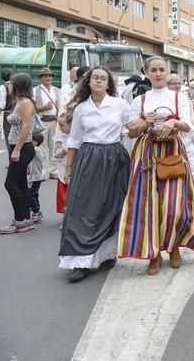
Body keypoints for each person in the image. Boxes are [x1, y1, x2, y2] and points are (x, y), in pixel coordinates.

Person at [118, 56, 194, 276]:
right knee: (148, 205)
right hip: (146, 155)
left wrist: (173, 122)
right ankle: (153, 254)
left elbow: (188, 126)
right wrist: (145, 121)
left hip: (172, 153)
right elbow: (132, 132)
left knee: (174, 204)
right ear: (147, 73)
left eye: (162, 70)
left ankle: (173, 247)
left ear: (167, 72)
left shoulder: (178, 98)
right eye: (154, 70)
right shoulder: (140, 101)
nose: (158, 74)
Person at [58, 67, 137, 282]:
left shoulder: (119, 105)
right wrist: (68, 168)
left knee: (110, 207)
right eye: (96, 78)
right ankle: (79, 261)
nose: (99, 81)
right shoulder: (82, 108)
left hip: (114, 158)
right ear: (89, 82)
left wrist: (146, 121)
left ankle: (106, 255)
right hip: (88, 158)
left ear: (109, 84)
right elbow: (74, 140)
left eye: (103, 79)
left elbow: (134, 126)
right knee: (81, 208)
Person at [0, 73, 37, 234]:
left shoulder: (25, 103)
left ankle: (20, 220)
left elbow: (26, 127)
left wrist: (17, 149)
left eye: (11, 83)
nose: (8, 85)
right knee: (20, 184)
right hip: (18, 147)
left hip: (23, 148)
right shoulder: (18, 101)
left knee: (10, 184)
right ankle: (25, 219)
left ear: (18, 86)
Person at [167, 74, 194, 199]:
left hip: (187, 140)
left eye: (179, 83)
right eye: (173, 83)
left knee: (192, 169)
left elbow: (191, 121)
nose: (177, 86)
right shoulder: (166, 100)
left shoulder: (184, 98)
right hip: (172, 142)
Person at [33, 67, 61, 178]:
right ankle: (43, 171)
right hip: (42, 121)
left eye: (49, 76)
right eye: (45, 76)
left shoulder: (56, 90)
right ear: (41, 78)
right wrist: (43, 107)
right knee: (42, 146)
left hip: (54, 121)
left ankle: (52, 170)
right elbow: (32, 108)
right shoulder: (35, 90)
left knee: (54, 146)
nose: (48, 78)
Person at [54, 112, 72, 218]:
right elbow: (55, 154)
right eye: (59, 125)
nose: (60, 128)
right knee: (63, 196)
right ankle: (65, 218)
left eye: (62, 125)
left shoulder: (78, 137)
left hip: (75, 170)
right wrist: (63, 151)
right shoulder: (60, 138)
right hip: (62, 170)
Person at [28, 133, 46, 223]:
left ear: (37, 142)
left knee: (30, 195)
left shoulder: (36, 149)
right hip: (36, 176)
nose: (31, 142)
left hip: (36, 176)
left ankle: (36, 211)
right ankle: (37, 211)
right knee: (34, 194)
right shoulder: (39, 149)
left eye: (33, 141)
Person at [0, 69, 13, 150]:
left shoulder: (3, 87)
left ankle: (12, 158)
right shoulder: (17, 85)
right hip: (19, 113)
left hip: (8, 114)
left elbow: (1, 104)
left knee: (9, 137)